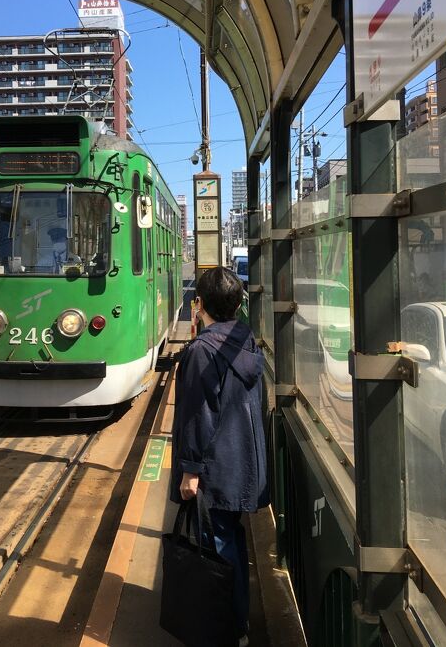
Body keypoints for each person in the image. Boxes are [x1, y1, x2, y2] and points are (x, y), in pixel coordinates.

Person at [170, 267, 268, 645]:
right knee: (230, 540)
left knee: (216, 548)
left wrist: (190, 471)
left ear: (199, 306)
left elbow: (199, 415)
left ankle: (225, 630)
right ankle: (237, 622)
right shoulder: (246, 340)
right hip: (244, 462)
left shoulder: (201, 353)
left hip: (215, 466)